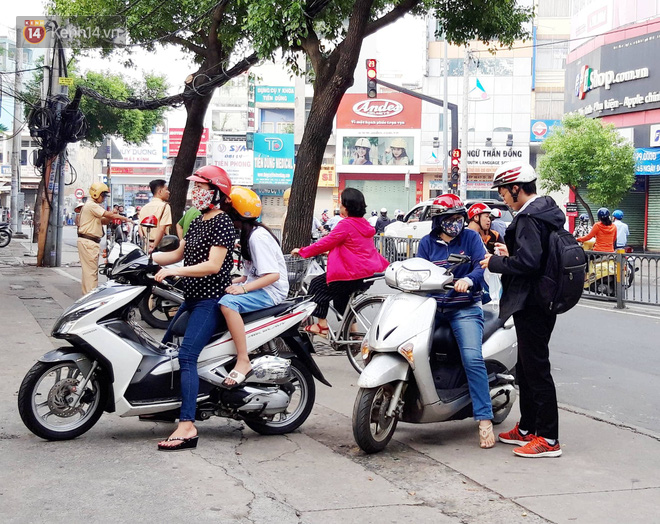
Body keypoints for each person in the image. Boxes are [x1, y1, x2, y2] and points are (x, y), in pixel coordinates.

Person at [480, 161, 565, 458]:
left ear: (516, 188)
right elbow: (536, 257)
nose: (502, 197)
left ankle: (549, 438)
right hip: (543, 297)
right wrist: (510, 254)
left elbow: (529, 264)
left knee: (537, 368)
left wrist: (496, 262)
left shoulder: (529, 217)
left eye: (504, 191)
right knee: (526, 367)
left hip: (533, 301)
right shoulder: (546, 211)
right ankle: (528, 427)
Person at [152, 165, 237, 451]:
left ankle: (187, 425)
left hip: (210, 301)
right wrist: (147, 259)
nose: (195, 193)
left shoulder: (223, 222)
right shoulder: (198, 220)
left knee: (187, 356)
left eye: (200, 188)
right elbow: (179, 252)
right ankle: (166, 406)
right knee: (164, 350)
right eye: (195, 188)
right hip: (190, 298)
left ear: (215, 192)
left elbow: (213, 265)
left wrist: (177, 270)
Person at [416, 194, 495, 449]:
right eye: (450, 219)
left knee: (472, 359)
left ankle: (484, 418)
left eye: (459, 218)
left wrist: (470, 280)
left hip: (465, 308)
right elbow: (418, 270)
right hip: (433, 308)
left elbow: (481, 265)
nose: (456, 223)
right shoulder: (427, 243)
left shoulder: (470, 238)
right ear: (439, 220)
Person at [290, 187, 389, 336]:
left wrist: (302, 251)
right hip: (367, 274)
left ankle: (321, 326)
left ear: (347, 207)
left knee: (317, 285)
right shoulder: (364, 224)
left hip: (351, 273)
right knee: (341, 299)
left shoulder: (346, 224)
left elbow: (326, 242)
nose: (340, 207)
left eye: (341, 204)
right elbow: (353, 247)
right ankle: (353, 333)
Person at [218, 187, 289, 387]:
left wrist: (244, 289)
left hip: (271, 292)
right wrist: (235, 282)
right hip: (260, 286)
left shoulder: (257, 237)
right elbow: (251, 274)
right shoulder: (249, 234)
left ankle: (243, 359)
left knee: (227, 304)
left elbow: (272, 275)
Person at [77, 182, 129, 295]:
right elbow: (108, 215)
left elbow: (104, 220)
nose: (104, 198)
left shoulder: (93, 206)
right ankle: (89, 299)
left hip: (89, 242)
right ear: (96, 194)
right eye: (103, 195)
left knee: (89, 272)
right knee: (91, 273)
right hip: (89, 242)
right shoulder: (92, 205)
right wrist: (125, 219)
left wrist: (113, 215)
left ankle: (87, 296)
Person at [139, 179, 172, 252]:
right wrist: (154, 245)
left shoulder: (144, 207)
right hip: (161, 246)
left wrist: (146, 243)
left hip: (146, 247)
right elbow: (162, 228)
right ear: (160, 192)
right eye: (166, 189)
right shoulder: (165, 206)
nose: (168, 192)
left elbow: (140, 229)